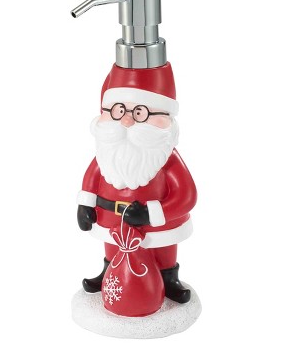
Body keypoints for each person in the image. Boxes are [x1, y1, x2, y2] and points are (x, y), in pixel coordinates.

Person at [76, 63, 197, 303]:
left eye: (140, 112)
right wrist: (85, 204)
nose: (127, 121)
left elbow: (187, 195)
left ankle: (168, 278)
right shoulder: (107, 154)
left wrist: (152, 213)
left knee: (162, 249)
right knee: (112, 245)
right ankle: (109, 272)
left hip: (157, 225)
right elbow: (92, 177)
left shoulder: (166, 159)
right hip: (112, 218)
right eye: (119, 110)